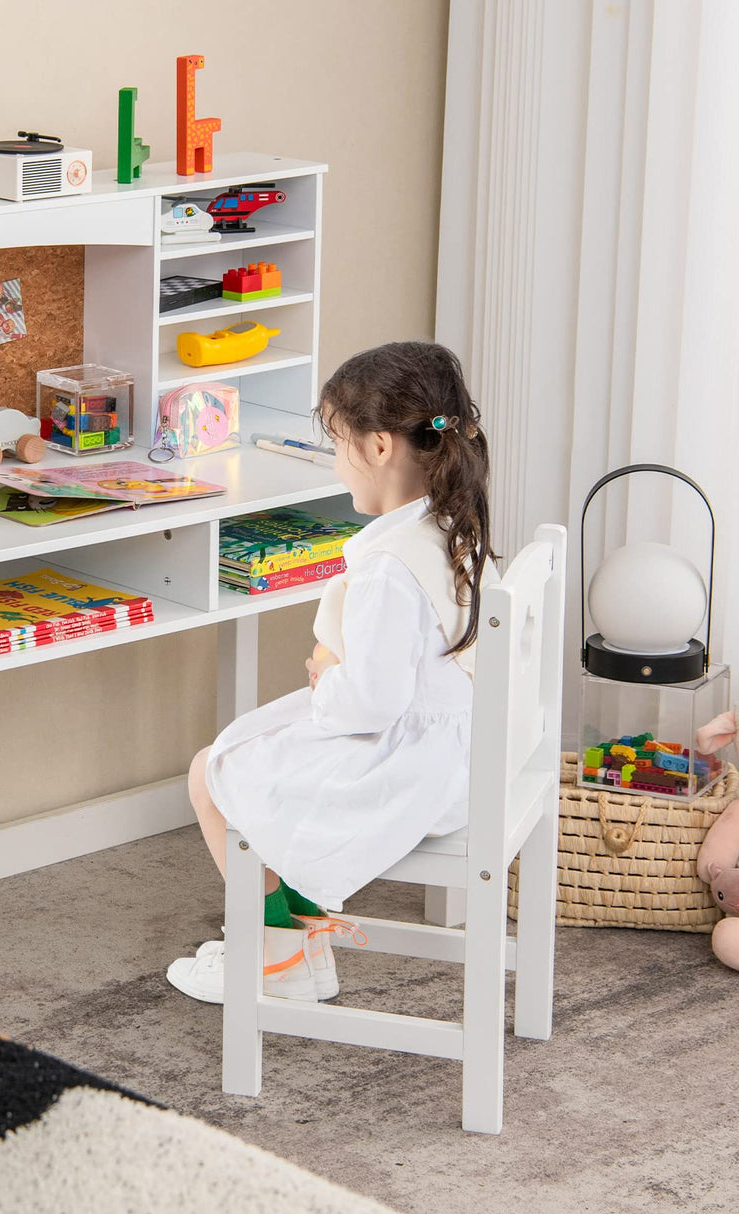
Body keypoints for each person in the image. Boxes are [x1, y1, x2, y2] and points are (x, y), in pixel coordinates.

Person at [167, 341, 498, 1004]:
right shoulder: (454, 525)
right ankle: (298, 951)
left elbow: (372, 701)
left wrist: (327, 674)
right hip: (466, 748)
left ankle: (273, 957)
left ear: (379, 448)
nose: (336, 460)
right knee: (267, 753)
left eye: (337, 443)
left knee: (217, 772)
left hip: (416, 766)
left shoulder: (388, 568)